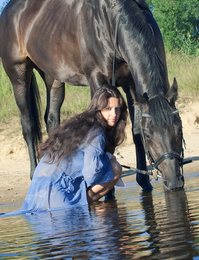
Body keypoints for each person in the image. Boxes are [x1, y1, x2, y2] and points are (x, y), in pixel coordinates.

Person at [1, 85, 128, 216]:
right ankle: (83, 208)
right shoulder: (97, 133)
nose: (114, 114)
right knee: (115, 168)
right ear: (98, 109)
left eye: (117, 109)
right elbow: (92, 176)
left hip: (38, 193)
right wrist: (107, 158)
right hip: (58, 198)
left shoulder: (82, 123)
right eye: (108, 108)